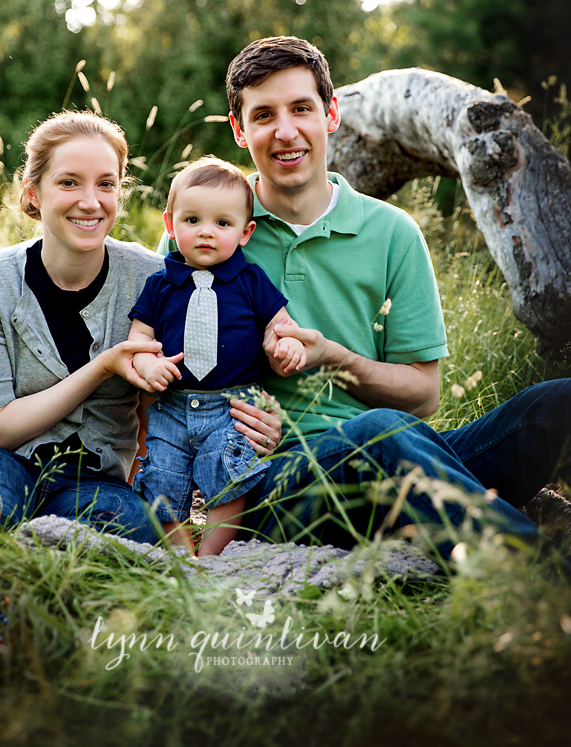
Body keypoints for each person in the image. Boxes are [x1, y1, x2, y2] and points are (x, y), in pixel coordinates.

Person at [159, 36, 571, 557]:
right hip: (270, 484)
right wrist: (225, 413)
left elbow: (423, 395)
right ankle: (536, 573)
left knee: (557, 404)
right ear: (240, 130)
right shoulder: (205, 224)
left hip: (404, 452)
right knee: (381, 433)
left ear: (331, 114)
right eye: (263, 115)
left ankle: (450, 508)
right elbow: (164, 372)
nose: (286, 132)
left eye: (301, 109)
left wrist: (334, 358)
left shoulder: (392, 233)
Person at [0, 112, 283, 586]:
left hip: (95, 477)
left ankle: (28, 623)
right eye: (69, 182)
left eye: (106, 184)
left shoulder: (157, 278)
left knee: (120, 542)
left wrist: (259, 412)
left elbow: (194, 377)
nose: (90, 202)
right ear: (33, 193)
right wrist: (104, 365)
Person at [127, 157, 306, 556]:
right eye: (192, 221)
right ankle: (177, 553)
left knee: (228, 476)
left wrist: (287, 343)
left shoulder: (251, 280)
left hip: (232, 405)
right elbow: (138, 339)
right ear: (170, 225)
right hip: (170, 406)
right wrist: (148, 365)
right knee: (162, 477)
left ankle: (212, 554)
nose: (206, 232)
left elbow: (280, 325)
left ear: (245, 232)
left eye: (222, 224)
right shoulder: (159, 284)